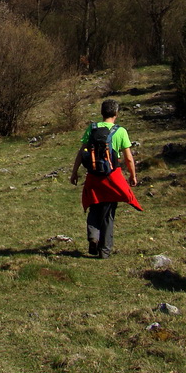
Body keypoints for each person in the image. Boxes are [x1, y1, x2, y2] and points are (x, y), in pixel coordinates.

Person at [69, 99, 142, 258]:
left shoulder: (92, 128)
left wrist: (74, 172)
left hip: (93, 176)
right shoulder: (121, 131)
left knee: (94, 206)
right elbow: (128, 158)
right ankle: (105, 251)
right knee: (108, 213)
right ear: (116, 113)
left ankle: (93, 237)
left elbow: (82, 152)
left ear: (102, 113)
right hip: (112, 177)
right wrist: (132, 176)